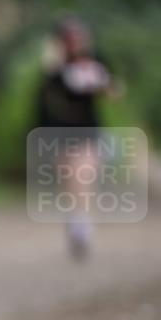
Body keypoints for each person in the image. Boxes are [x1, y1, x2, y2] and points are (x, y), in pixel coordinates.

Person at [35, 16, 118, 259]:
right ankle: (78, 219)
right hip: (60, 131)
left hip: (88, 130)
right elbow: (46, 93)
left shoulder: (95, 62)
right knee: (71, 181)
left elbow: (113, 90)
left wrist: (101, 83)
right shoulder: (55, 67)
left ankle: (81, 223)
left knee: (84, 175)